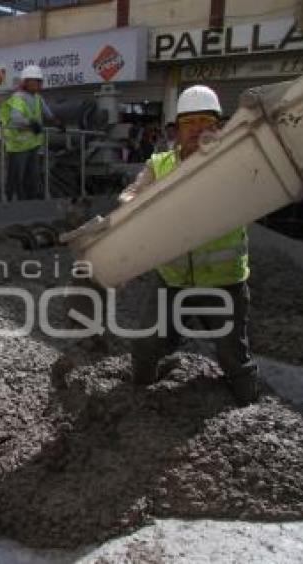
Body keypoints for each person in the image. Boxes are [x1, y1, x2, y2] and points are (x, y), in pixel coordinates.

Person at [118, 85, 259, 406]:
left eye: (205, 121)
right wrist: (131, 203)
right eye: (189, 122)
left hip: (224, 283)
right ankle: (136, 404)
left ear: (218, 127)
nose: (197, 128)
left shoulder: (233, 161)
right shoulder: (160, 164)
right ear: (177, 129)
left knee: (233, 354)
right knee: (145, 346)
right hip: (172, 279)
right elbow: (132, 193)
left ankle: (248, 409)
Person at [0, 65, 60, 201]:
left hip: (33, 145)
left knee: (32, 177)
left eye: (40, 81)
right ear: (25, 82)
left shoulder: (38, 98)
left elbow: (48, 114)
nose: (40, 84)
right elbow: (16, 119)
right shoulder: (17, 98)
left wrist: (58, 123)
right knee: (17, 178)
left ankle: (30, 202)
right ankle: (13, 204)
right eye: (36, 81)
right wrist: (32, 123)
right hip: (18, 147)